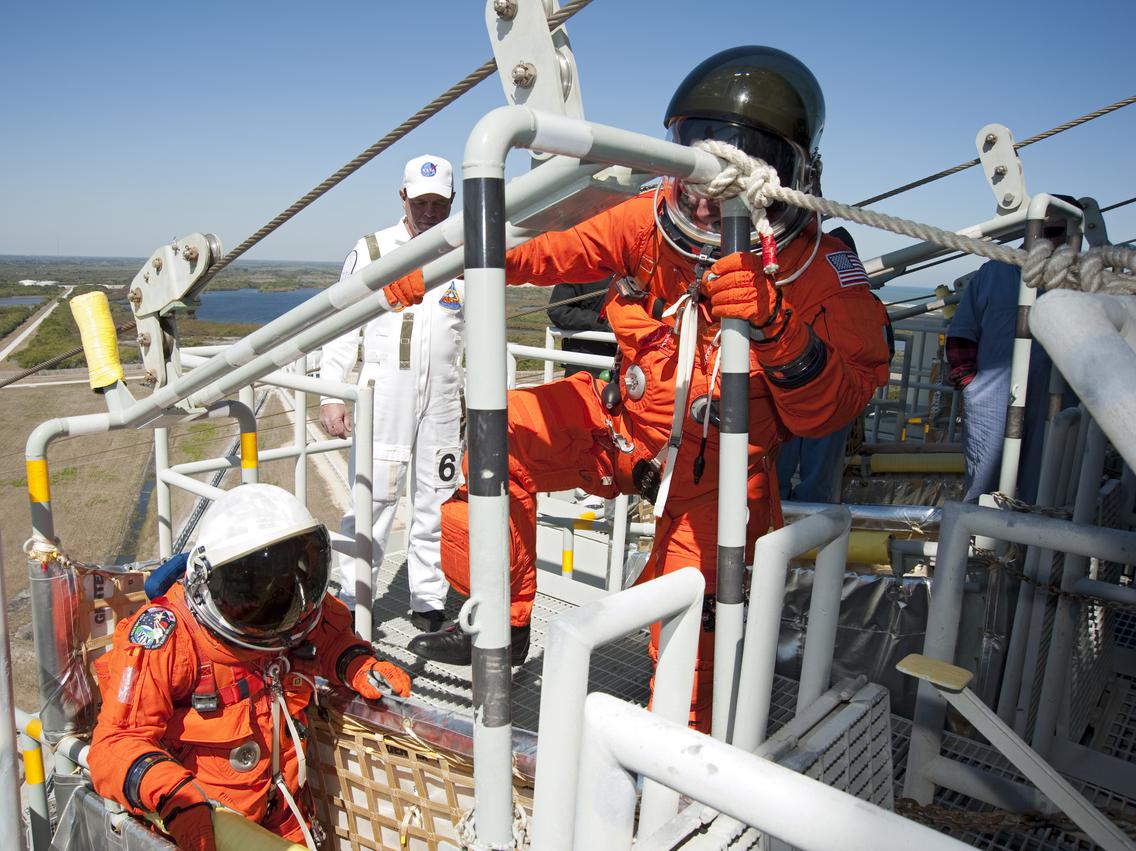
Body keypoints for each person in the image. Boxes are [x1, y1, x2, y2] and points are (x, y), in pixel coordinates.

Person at [400, 46, 892, 733]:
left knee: (691, 644)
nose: (706, 187)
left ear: (791, 174)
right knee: (498, 432)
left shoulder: (820, 271)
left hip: (718, 481)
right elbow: (555, 252)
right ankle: (504, 622)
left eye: (740, 160)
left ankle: (673, 792)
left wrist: (776, 326)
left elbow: (833, 406)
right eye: (697, 155)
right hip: (623, 428)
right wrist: (443, 260)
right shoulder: (649, 220)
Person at [88, 484, 412, 851]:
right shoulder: (169, 638)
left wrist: (355, 663)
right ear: (211, 585)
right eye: (254, 596)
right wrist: (177, 799)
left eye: (290, 579)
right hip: (211, 828)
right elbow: (116, 743)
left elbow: (329, 634)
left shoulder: (292, 603)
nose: (280, 616)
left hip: (289, 819)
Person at [318, 155, 464, 632]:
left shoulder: (462, 249)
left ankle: (427, 599)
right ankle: (352, 596)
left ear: (452, 201)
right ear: (402, 197)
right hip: (385, 395)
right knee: (373, 498)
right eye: (420, 201)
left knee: (437, 500)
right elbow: (342, 325)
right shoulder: (374, 249)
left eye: (438, 203)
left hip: (443, 395)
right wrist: (332, 393)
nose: (429, 211)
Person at [945, 198, 1077, 503]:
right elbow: (962, 333)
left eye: (1062, 233)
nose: (1055, 239)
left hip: (1058, 404)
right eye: (1052, 230)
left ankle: (1033, 551)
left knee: (1047, 492)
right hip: (993, 402)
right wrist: (972, 386)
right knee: (984, 491)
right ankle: (976, 548)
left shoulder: (1082, 279)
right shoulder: (993, 272)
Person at [772, 226, 865, 503]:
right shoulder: (856, 295)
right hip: (831, 393)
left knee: (777, 471)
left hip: (791, 388)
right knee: (819, 478)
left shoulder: (797, 285)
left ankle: (773, 527)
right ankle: (811, 533)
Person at [547, 278, 617, 378]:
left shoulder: (636, 269)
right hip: (587, 363)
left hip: (631, 364)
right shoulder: (578, 268)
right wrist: (603, 323)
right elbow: (557, 310)